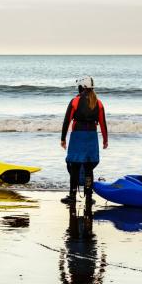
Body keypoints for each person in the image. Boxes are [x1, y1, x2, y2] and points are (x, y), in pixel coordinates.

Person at [60, 76, 108, 205]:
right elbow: (103, 123)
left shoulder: (75, 101)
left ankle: (72, 196)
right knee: (89, 168)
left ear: (81, 87)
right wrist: (105, 140)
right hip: (92, 136)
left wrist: (63, 138)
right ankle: (88, 197)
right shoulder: (99, 103)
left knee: (74, 166)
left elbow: (67, 120)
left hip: (78, 136)